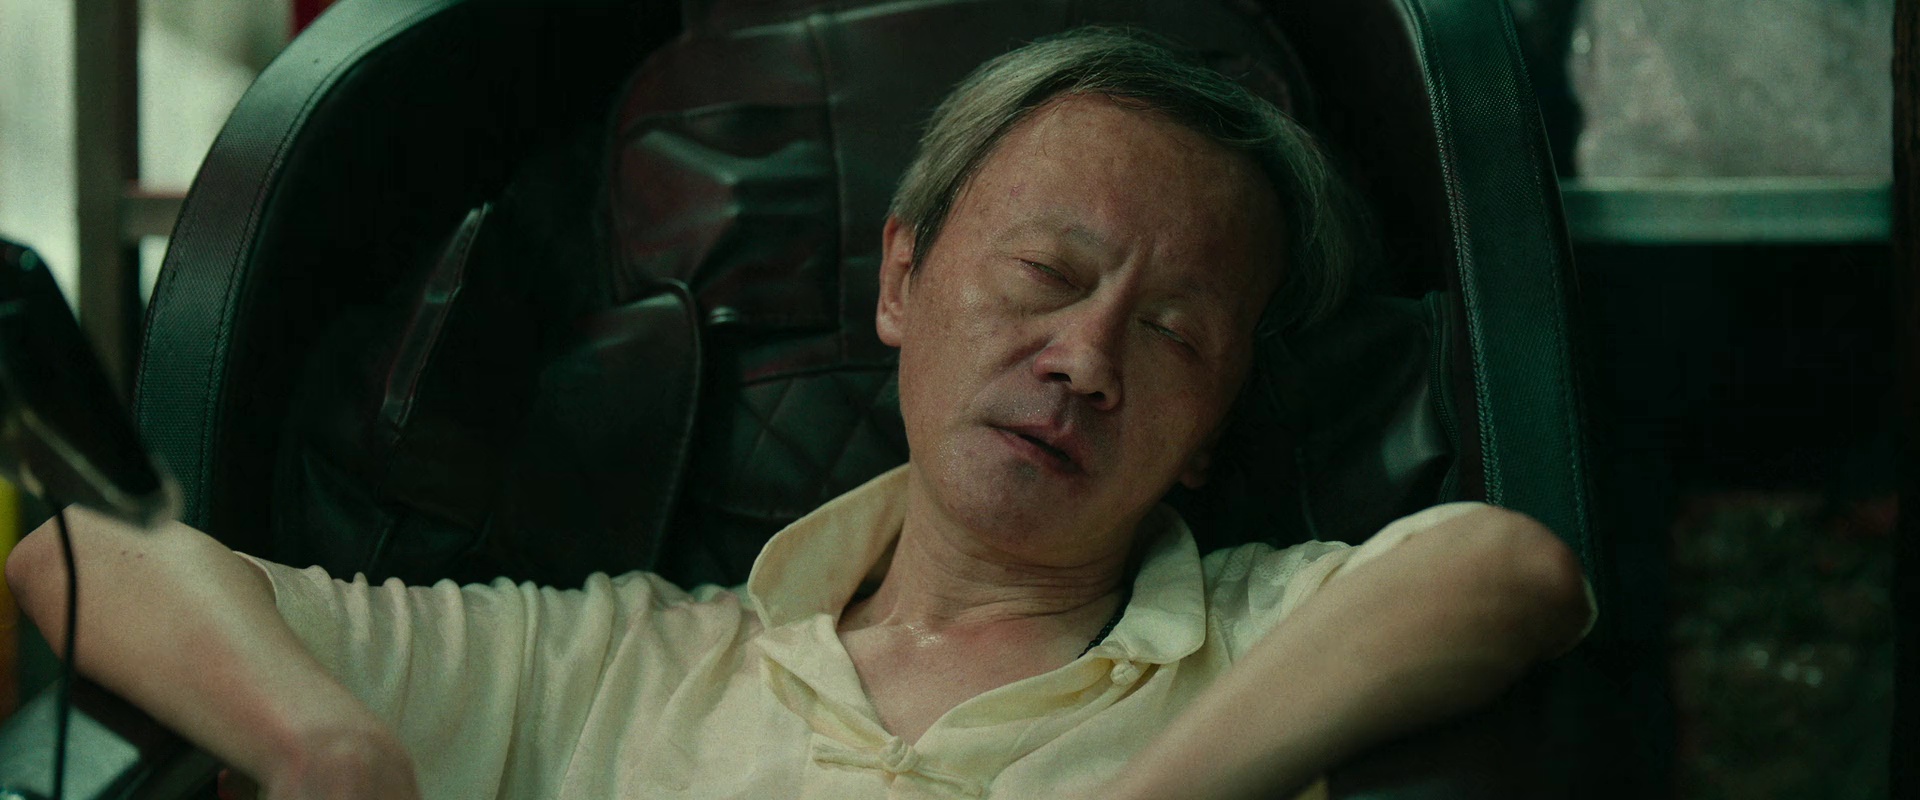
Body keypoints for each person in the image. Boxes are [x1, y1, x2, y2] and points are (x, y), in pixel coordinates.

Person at [6, 27, 1593, 800]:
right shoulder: (622, 665)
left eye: (1172, 333)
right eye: (1045, 275)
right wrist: (328, 743)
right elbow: (88, 551)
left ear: (1215, 422)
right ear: (902, 279)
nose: (1086, 357)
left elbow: (1507, 568)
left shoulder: (1254, 641)